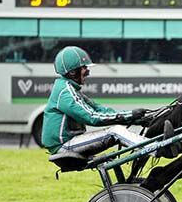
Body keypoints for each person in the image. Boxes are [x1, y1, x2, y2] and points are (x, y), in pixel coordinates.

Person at [41, 46, 172, 159]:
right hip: (64, 146)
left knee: (116, 131)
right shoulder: (65, 92)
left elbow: (100, 110)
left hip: (69, 143)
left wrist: (136, 119)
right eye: (84, 68)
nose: (88, 72)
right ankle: (158, 149)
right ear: (72, 71)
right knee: (115, 131)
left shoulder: (69, 89)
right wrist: (129, 115)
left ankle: (158, 146)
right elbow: (92, 117)